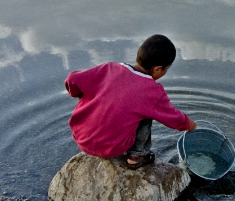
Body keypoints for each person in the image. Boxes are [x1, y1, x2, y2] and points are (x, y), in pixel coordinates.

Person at [65, 34, 196, 169]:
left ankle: (89, 129)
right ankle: (138, 155)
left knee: (89, 88)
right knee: (148, 111)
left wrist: (82, 96)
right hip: (112, 148)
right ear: (157, 69)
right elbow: (172, 117)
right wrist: (189, 124)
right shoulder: (152, 91)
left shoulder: (109, 68)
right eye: (165, 70)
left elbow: (72, 79)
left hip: (81, 138)